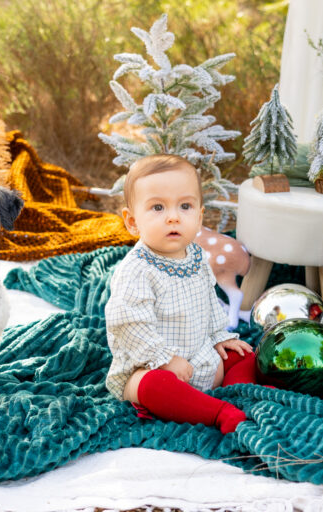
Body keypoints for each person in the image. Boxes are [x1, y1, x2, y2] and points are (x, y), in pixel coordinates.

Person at [105, 154, 259, 434]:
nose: (173, 216)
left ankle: (238, 392)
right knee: (153, 386)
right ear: (132, 221)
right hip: (151, 366)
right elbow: (128, 323)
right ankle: (218, 412)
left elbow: (209, 301)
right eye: (157, 207)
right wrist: (164, 359)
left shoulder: (197, 256)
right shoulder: (137, 269)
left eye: (185, 206)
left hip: (199, 356)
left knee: (244, 353)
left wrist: (218, 337)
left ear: (199, 216)